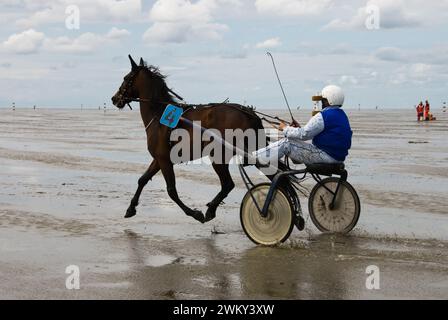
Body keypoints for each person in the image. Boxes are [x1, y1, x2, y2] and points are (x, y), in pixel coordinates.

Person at [255, 85, 352, 165]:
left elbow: (304, 134)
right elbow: (310, 132)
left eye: (323, 100)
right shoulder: (342, 115)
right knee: (292, 140)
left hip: (325, 156)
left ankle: (254, 157)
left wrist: (285, 128)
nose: (322, 102)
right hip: (337, 157)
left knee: (286, 143)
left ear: (329, 100)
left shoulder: (324, 115)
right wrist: (298, 129)